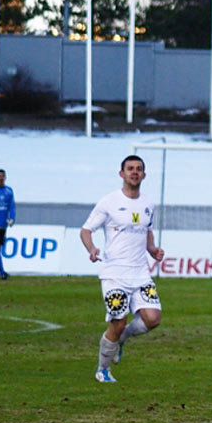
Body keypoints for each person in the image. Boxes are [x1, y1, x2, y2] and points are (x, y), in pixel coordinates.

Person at [80, 155, 164, 383]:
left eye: (138, 169)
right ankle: (103, 369)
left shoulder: (148, 204)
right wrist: (91, 248)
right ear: (122, 174)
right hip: (114, 274)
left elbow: (146, 230)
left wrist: (152, 249)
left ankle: (121, 339)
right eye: (130, 169)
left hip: (140, 273)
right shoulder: (109, 202)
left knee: (153, 318)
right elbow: (86, 230)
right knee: (117, 322)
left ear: (144, 175)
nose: (134, 172)